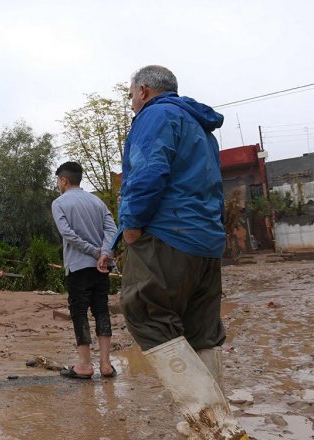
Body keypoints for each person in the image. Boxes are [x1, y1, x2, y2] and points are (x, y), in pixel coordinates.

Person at [110, 65, 247, 439]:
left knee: (143, 310)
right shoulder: (199, 127)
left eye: (131, 94)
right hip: (204, 240)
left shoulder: (155, 115)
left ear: (143, 90)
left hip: (167, 233)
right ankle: (208, 420)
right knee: (201, 328)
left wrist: (133, 224)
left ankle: (215, 426)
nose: (131, 101)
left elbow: (149, 171)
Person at [50, 161, 117, 380]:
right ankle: (106, 365)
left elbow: (67, 234)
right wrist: (104, 253)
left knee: (79, 313)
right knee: (101, 310)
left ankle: (85, 366)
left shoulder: (59, 203)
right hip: (102, 266)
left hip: (78, 266)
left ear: (63, 180)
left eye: (58, 181)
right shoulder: (97, 201)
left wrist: (93, 252)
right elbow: (112, 228)